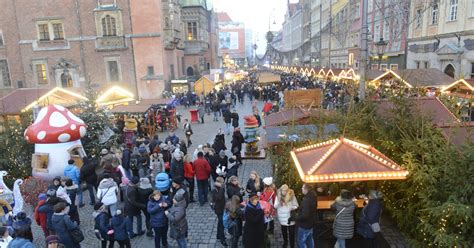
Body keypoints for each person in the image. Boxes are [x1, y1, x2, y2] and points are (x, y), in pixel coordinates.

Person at [296, 184, 317, 248]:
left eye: (302, 188)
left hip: (304, 225)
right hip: (311, 223)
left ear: (306, 189)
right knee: (310, 239)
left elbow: (305, 216)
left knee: (301, 241)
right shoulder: (313, 196)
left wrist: (296, 218)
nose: (301, 189)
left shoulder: (306, 200)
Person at [211, 177, 228, 247]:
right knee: (221, 224)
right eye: (222, 182)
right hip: (218, 209)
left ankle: (218, 235)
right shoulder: (215, 189)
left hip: (221, 208)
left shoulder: (220, 188)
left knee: (220, 222)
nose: (223, 184)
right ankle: (222, 239)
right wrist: (222, 188)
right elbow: (219, 197)